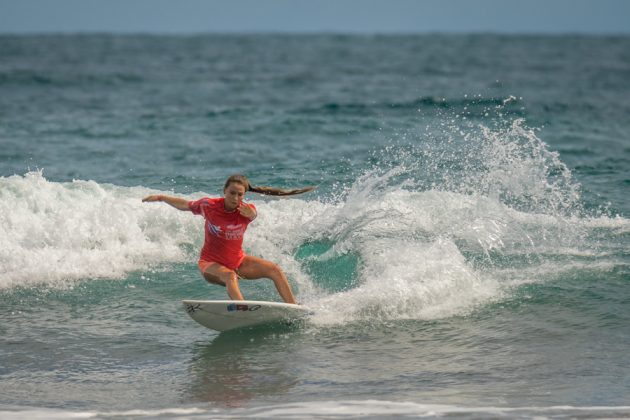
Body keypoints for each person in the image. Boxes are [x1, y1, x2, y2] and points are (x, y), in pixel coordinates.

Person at [142, 174, 314, 304]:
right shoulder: (208, 206)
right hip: (210, 264)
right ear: (224, 191)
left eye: (240, 195)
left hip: (238, 262)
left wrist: (252, 214)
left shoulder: (246, 211)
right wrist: (161, 198)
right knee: (230, 276)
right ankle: (242, 311)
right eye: (232, 193)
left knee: (274, 270)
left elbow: (253, 214)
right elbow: (186, 205)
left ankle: (294, 308)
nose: (235, 198)